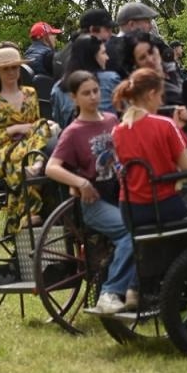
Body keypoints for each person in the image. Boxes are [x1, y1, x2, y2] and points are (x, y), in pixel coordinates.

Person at [44, 70, 136, 314]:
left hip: (120, 194)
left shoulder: (110, 120)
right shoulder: (73, 132)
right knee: (131, 232)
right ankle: (110, 291)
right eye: (86, 93)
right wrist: (80, 182)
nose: (93, 97)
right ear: (74, 98)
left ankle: (139, 290)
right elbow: (51, 167)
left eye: (96, 91)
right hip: (93, 203)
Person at [0, 47, 60, 224]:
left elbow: (37, 126)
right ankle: (29, 211)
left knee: (43, 126)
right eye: (6, 68)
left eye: (15, 67)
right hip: (1, 150)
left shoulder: (30, 93)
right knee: (24, 156)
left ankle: (37, 167)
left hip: (32, 144)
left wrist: (35, 128)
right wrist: (14, 130)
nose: (11, 72)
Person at [112, 68, 187, 228]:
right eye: (160, 96)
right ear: (151, 95)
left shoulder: (117, 131)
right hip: (163, 205)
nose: (161, 102)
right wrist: (177, 129)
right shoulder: (165, 125)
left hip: (130, 208)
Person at [48, 33, 118, 127]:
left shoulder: (57, 88)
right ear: (93, 56)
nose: (107, 57)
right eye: (103, 53)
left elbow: (59, 122)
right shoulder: (111, 79)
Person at [53, 8, 113, 80]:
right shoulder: (81, 56)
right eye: (107, 30)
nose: (110, 34)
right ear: (92, 29)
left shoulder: (69, 49)